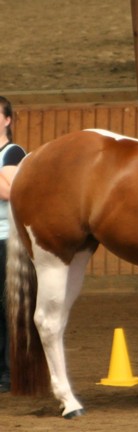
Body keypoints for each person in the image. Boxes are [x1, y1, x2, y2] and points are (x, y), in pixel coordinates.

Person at [0, 96, 27, 393]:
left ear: (7, 120)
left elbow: (10, 192)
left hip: (6, 239)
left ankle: (8, 373)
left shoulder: (12, 152)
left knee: (7, 308)